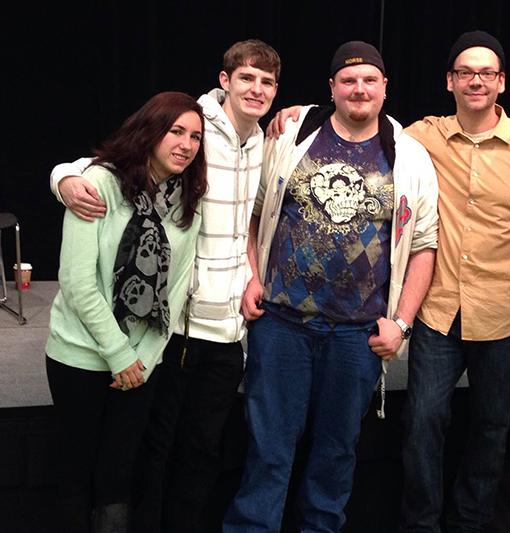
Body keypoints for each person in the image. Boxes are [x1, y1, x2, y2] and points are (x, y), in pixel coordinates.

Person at [267, 31, 510, 533]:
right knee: (422, 424)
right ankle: (420, 525)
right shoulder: (420, 138)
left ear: (502, 82)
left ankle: (469, 523)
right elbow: (355, 110)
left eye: (487, 72)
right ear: (450, 81)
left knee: (491, 429)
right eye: (466, 72)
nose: (476, 80)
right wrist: (295, 111)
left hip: (504, 311)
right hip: (439, 310)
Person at [49, 39, 281, 533]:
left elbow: (243, 230)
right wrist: (63, 177)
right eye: (246, 78)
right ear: (224, 81)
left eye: (267, 82)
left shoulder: (260, 144)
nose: (185, 143)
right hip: (141, 340)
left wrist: (252, 278)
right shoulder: (169, 137)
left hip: (209, 334)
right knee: (118, 463)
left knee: (176, 459)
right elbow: (79, 274)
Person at [223, 41, 439, 532]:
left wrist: (401, 324)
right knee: (268, 448)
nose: (358, 89)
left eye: (369, 80)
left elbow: (425, 246)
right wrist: (253, 276)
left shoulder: (410, 157)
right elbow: (254, 214)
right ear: (332, 89)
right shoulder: (292, 135)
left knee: (336, 454)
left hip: (356, 335)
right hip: (281, 325)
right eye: (348, 80)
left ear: (385, 88)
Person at [45, 91, 206, 533]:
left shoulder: (187, 203)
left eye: (195, 136)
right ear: (150, 131)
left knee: (118, 477)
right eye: (176, 131)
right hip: (80, 355)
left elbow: (174, 295)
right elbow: (78, 284)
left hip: (140, 362)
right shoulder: (97, 185)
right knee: (76, 475)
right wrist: (119, 355)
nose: (187, 144)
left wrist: (144, 358)